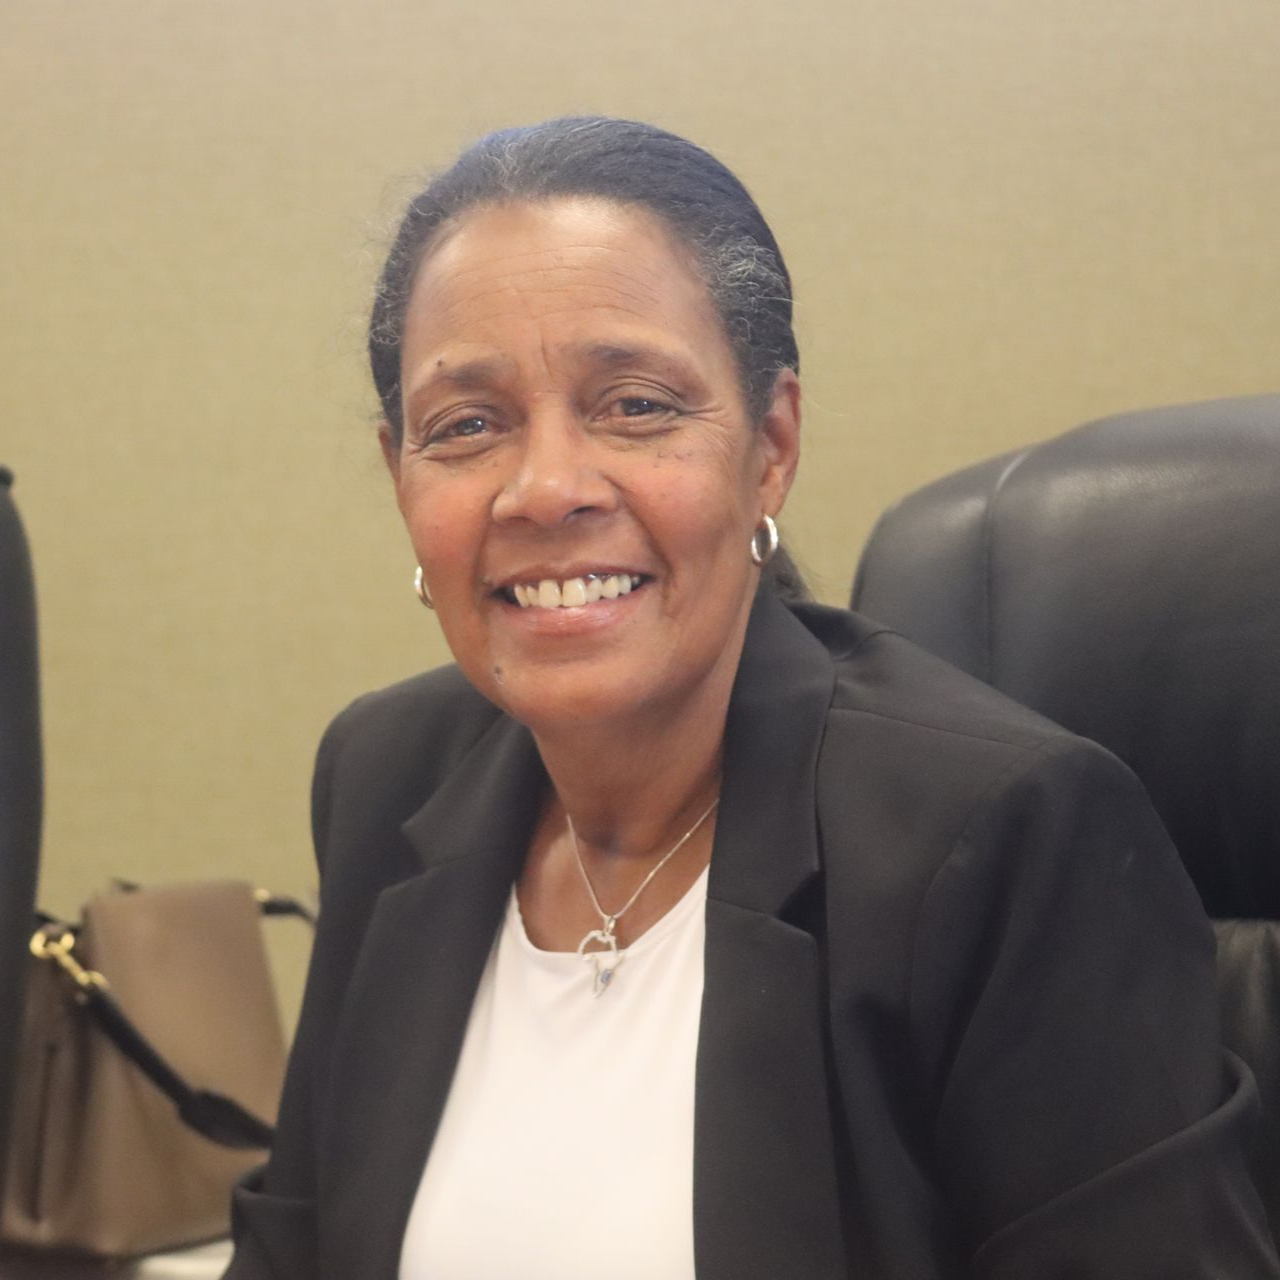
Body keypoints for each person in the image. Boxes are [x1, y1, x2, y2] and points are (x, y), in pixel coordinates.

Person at [225, 117, 1277, 1279]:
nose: (545, 488)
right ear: (399, 474)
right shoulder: (388, 771)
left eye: (633, 404)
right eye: (466, 426)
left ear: (768, 445)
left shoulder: (1003, 837)